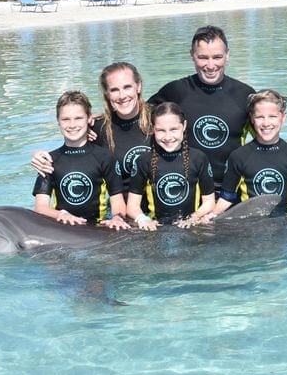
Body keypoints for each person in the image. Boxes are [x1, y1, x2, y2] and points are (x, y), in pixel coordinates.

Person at [148, 25, 255, 192]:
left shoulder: (245, 94)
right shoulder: (175, 91)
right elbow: (135, 118)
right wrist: (93, 123)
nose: (211, 65)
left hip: (229, 191)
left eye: (217, 57)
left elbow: (266, 139)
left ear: (227, 55)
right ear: (192, 55)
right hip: (187, 190)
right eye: (203, 57)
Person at [31, 62, 152, 194]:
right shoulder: (97, 127)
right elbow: (70, 151)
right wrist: (40, 156)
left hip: (161, 210)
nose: (122, 96)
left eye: (127, 87)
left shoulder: (160, 119)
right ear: (107, 93)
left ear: (138, 86)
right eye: (114, 90)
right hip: (120, 210)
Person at [202, 89, 287, 223]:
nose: (266, 123)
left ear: (283, 117)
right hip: (250, 223)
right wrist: (211, 216)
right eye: (260, 117)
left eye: (272, 116)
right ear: (252, 118)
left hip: (284, 222)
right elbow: (227, 197)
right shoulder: (238, 156)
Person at [30, 90, 130, 229]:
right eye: (65, 119)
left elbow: (117, 199)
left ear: (89, 118)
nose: (72, 125)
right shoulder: (48, 160)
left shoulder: (105, 157)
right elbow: (40, 208)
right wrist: (60, 215)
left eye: (78, 118)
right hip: (61, 227)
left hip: (96, 228)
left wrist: (117, 218)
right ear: (58, 121)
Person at [126, 102, 215, 230]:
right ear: (153, 129)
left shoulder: (198, 158)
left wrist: (194, 217)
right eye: (161, 130)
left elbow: (209, 201)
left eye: (173, 129)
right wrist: (143, 219)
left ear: (184, 126)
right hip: (157, 228)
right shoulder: (144, 160)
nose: (168, 137)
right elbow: (132, 205)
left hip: (191, 226)